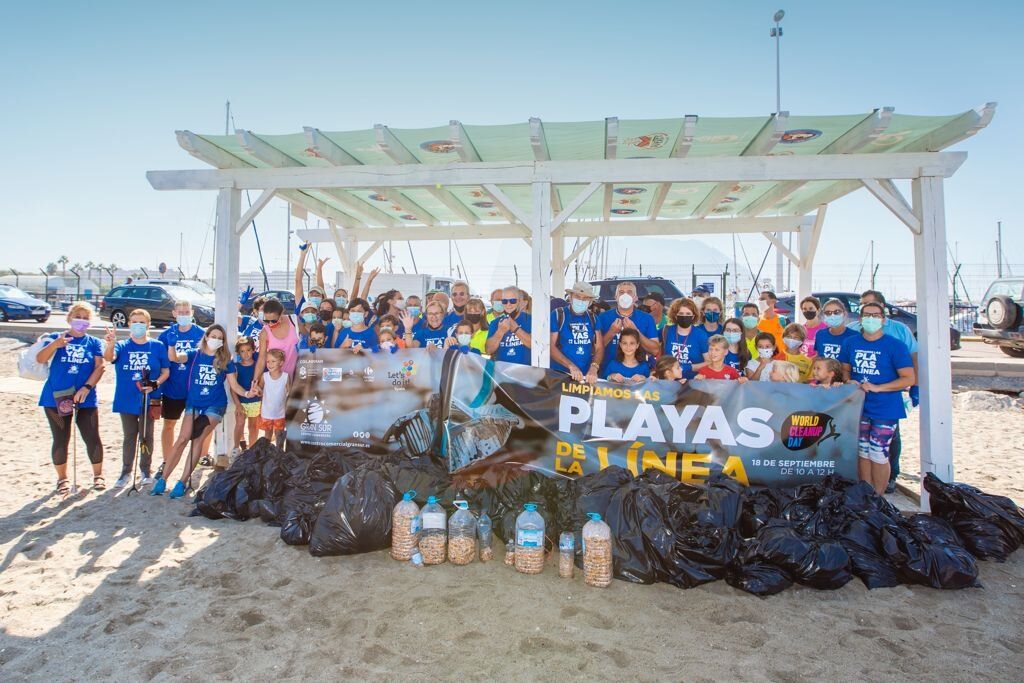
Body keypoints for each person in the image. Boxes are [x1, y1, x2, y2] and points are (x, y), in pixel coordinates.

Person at [155, 324, 241, 498]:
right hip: (194, 403)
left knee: (197, 439)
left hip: (215, 405)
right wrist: (171, 345)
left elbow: (234, 386)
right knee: (182, 439)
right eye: (213, 336)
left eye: (219, 338)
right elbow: (175, 358)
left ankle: (182, 481)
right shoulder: (195, 355)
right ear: (206, 336)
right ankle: (163, 479)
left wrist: (248, 393)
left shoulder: (226, 361)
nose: (215, 340)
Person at [839, 301, 916, 495]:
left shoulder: (895, 346)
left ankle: (879, 496)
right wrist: (849, 380)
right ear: (860, 318)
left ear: (883, 319)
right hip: (859, 407)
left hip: (886, 408)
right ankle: (866, 492)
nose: (870, 319)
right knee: (862, 451)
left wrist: (879, 387)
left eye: (875, 315)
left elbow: (908, 378)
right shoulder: (851, 343)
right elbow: (845, 369)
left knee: (879, 453)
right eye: (866, 315)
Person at [37, 302, 106, 494]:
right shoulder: (56, 338)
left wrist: (86, 387)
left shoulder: (93, 342)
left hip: (85, 398)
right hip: (55, 397)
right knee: (61, 438)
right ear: (69, 318)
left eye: (85, 318)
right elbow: (40, 359)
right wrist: (55, 344)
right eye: (78, 316)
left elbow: (100, 367)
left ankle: (98, 475)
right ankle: (62, 479)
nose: (81, 321)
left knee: (91, 436)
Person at [104, 310, 169, 488]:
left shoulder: (157, 346)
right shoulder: (123, 345)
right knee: (129, 436)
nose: (137, 325)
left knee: (147, 435)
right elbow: (110, 357)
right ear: (129, 324)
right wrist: (110, 344)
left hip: (150, 399)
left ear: (148, 324)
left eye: (141, 322)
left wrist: (155, 384)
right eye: (134, 321)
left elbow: (166, 371)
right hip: (126, 398)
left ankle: (145, 470)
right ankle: (126, 472)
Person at [157, 300, 206, 464]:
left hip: (194, 388)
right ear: (174, 313)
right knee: (169, 424)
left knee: (201, 424)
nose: (184, 315)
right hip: (173, 387)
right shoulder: (166, 335)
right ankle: (167, 460)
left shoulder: (201, 333)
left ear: (192, 313)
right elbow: (160, 360)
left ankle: (202, 457)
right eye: (181, 312)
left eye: (187, 312)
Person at [597, 282, 660, 374]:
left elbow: (655, 350)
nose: (625, 295)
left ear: (635, 298)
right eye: (621, 292)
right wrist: (611, 333)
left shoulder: (647, 318)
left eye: (629, 292)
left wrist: (636, 332)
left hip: (638, 375)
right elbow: (595, 350)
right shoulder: (603, 317)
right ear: (616, 297)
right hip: (609, 373)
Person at [551, 282, 603, 383]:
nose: (581, 300)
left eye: (585, 298)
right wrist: (571, 366)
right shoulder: (558, 315)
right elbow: (551, 346)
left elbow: (599, 348)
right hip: (560, 375)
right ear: (570, 297)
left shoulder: (593, 318)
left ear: (590, 301)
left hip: (585, 377)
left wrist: (594, 367)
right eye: (577, 296)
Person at [253, 298, 299, 384]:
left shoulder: (294, 321)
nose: (270, 324)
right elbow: (262, 358)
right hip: (276, 380)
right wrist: (255, 381)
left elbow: (308, 340)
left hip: (298, 377)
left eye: (274, 320)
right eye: (266, 321)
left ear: (281, 313)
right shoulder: (264, 332)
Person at [661, 298, 707, 379]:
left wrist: (690, 367)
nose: (684, 316)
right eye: (681, 313)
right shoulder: (667, 331)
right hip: (670, 381)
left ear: (693, 316)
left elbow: (709, 362)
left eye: (688, 314)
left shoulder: (700, 335)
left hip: (693, 382)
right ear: (675, 315)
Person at [485, 286, 533, 364]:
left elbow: (535, 346)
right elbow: (488, 350)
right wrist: (500, 332)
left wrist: (516, 329)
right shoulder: (495, 323)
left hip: (525, 371)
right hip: (502, 372)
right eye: (504, 301)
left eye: (513, 301)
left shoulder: (530, 320)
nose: (508, 304)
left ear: (520, 302)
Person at [232, 336, 260, 450]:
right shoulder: (236, 367)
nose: (246, 354)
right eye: (242, 351)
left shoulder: (258, 365)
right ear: (238, 353)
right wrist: (238, 404)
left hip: (255, 401)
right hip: (242, 401)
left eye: (248, 350)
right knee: (239, 424)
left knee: (253, 427)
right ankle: (235, 448)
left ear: (253, 350)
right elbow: (233, 387)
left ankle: (252, 450)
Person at [259, 348, 290, 448]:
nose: (270, 364)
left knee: (279, 437)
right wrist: (257, 390)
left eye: (273, 361)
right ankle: (267, 458)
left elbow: (289, 394)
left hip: (280, 413)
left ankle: (279, 458)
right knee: (267, 438)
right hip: (266, 413)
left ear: (281, 362)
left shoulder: (286, 377)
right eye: (268, 361)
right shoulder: (264, 376)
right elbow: (260, 391)